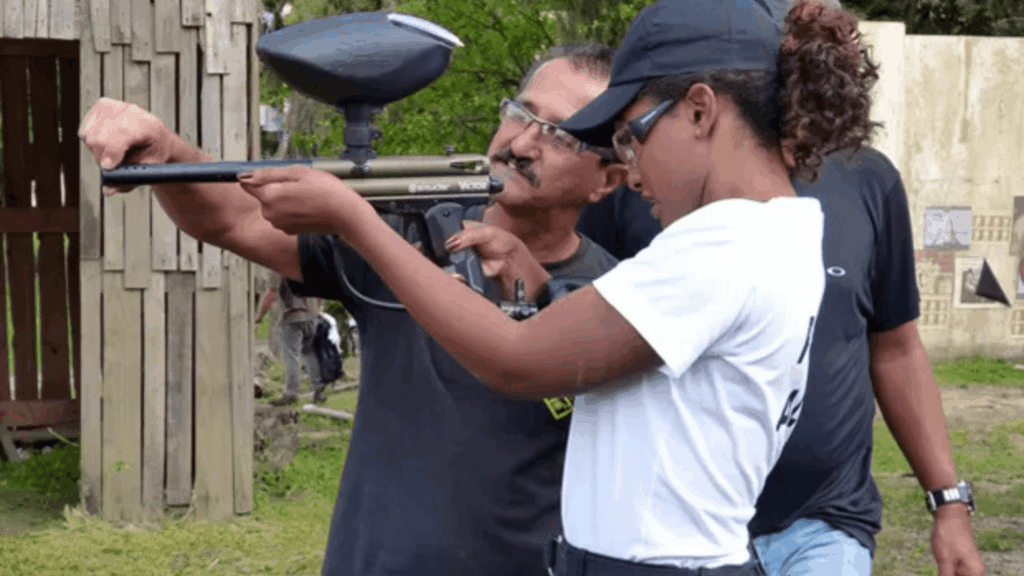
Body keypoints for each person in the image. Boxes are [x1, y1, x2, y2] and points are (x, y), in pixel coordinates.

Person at [228, 0, 885, 572]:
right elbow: (641, 371)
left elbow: (516, 360)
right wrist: (542, 287)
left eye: (633, 138)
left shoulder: (723, 245)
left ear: (700, 111)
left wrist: (355, 220)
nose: (633, 174)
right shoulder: (781, 234)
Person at [80, 43, 627, 575]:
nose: (522, 143)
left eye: (560, 135)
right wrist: (167, 150)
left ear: (608, 178)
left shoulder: (618, 298)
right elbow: (233, 218)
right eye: (520, 114)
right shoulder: (405, 229)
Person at [575, 3, 986, 574]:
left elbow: (896, 347)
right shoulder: (650, 183)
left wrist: (948, 502)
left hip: (821, 525)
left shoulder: (869, 179)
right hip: (680, 535)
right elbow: (586, 324)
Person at [255, 274, 328, 405]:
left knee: (291, 357)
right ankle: (319, 391)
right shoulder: (308, 263)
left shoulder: (278, 267)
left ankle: (291, 394)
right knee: (310, 353)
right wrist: (318, 309)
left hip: (292, 315)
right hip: (312, 316)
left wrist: (258, 318)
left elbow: (272, 294)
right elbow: (321, 290)